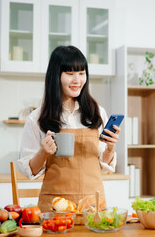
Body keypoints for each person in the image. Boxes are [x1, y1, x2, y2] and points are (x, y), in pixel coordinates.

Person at [17, 45, 121, 212]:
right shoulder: (36, 118)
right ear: (56, 76)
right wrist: (43, 152)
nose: (77, 80)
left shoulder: (97, 113)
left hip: (92, 207)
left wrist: (110, 148)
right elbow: (30, 171)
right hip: (54, 210)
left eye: (81, 73)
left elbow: (103, 163)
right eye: (70, 74)